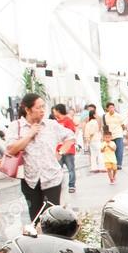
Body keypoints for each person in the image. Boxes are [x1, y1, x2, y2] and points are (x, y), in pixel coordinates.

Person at [5, 93, 76, 222]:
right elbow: (11, 149)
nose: (42, 110)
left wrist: (60, 152)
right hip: (30, 180)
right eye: (38, 107)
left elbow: (71, 136)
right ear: (27, 109)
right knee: (36, 218)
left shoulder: (51, 125)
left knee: (53, 217)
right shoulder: (16, 126)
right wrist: (29, 135)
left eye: (43, 107)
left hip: (52, 177)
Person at [52, 104, 78, 193]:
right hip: (58, 149)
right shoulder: (55, 122)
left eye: (54, 110)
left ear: (58, 111)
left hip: (68, 149)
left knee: (71, 169)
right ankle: (58, 186)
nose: (53, 112)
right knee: (58, 169)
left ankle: (71, 185)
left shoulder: (68, 121)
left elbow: (71, 133)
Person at [104, 102, 126, 170]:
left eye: (112, 107)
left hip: (118, 134)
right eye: (110, 107)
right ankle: (113, 164)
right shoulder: (105, 116)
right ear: (107, 109)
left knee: (119, 149)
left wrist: (121, 132)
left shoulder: (118, 116)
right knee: (111, 150)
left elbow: (123, 126)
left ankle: (119, 164)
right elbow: (105, 126)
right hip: (110, 136)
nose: (111, 109)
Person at [83, 104, 104, 172]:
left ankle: (94, 168)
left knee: (93, 155)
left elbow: (86, 133)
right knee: (100, 153)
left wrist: (88, 140)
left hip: (91, 141)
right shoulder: (95, 122)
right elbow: (96, 131)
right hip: (96, 139)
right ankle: (101, 167)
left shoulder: (88, 123)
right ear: (94, 115)